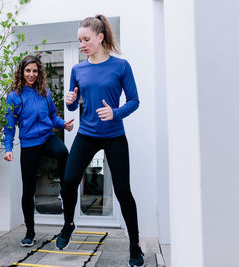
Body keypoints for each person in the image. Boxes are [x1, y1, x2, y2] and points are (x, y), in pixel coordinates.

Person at [54, 15, 145, 267]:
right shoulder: (77, 69)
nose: (82, 44)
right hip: (87, 134)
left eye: (86, 39)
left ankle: (135, 245)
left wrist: (115, 113)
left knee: (123, 191)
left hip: (114, 135)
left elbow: (134, 101)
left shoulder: (121, 66)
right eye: (79, 40)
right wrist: (70, 102)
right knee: (69, 181)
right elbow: (72, 108)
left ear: (100, 37)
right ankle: (68, 225)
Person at [3, 55, 74, 247]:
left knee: (62, 152)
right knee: (28, 190)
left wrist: (63, 124)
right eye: (28, 71)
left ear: (39, 72)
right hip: (29, 144)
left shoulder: (44, 92)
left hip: (46, 137)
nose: (31, 74)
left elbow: (52, 116)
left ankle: (64, 189)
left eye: (35, 71)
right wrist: (8, 148)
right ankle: (30, 232)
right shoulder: (14, 96)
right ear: (21, 72)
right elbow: (9, 127)